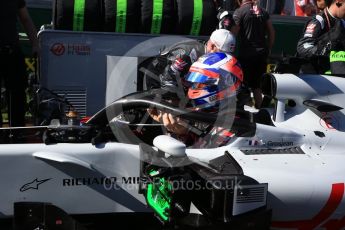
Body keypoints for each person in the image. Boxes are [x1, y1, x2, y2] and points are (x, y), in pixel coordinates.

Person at [148, 52, 244, 147]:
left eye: (201, 83)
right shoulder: (203, 113)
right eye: (194, 82)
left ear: (224, 85)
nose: (194, 87)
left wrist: (183, 132)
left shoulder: (236, 126)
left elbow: (206, 155)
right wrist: (178, 130)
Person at [0, 0, 38, 127]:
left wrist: (35, 44)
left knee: (18, 96)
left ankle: (18, 134)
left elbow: (25, 18)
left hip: (12, 50)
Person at [232, 0, 275, 109]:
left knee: (243, 85)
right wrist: (269, 48)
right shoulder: (263, 11)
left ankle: (247, 114)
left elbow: (233, 33)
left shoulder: (239, 11)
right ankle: (261, 111)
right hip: (261, 54)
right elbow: (271, 32)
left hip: (246, 55)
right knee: (257, 85)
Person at [296, 0, 345, 74]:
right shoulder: (319, 20)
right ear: (339, 2)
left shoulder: (342, 22)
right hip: (312, 76)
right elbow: (303, 47)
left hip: (334, 74)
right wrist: (324, 50)